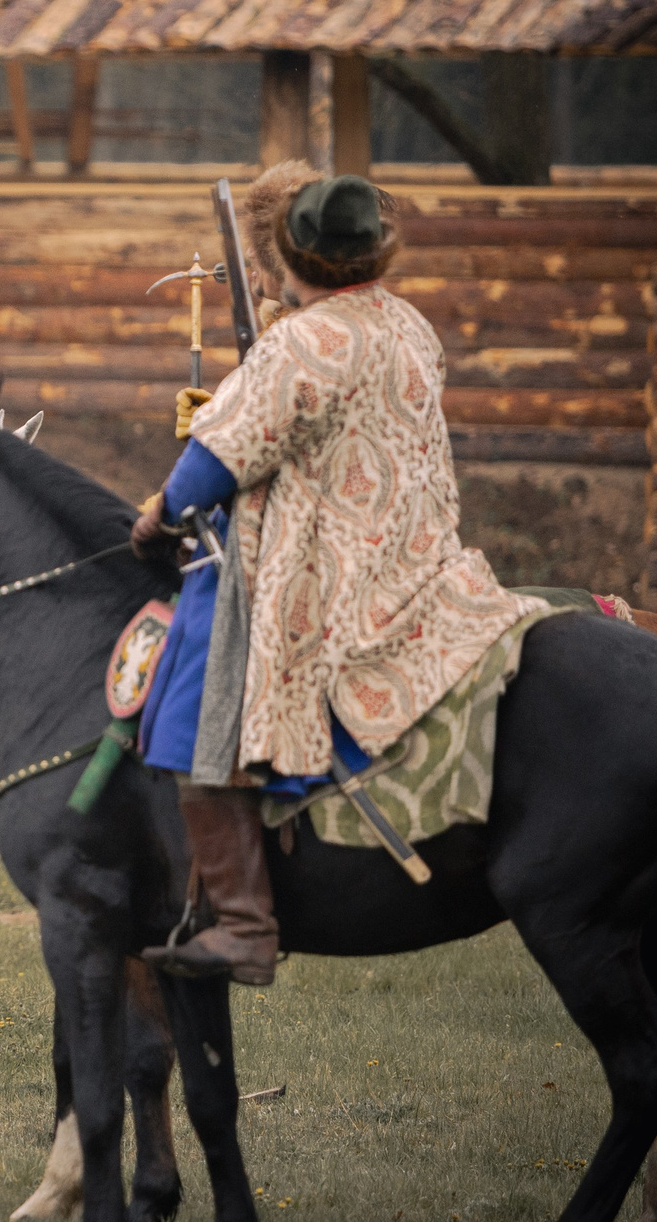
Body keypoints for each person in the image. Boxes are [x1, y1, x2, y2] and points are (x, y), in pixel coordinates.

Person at [130, 165, 541, 984]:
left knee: (191, 701)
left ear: (290, 253)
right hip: (421, 558)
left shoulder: (301, 341)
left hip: (327, 570)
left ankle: (245, 923)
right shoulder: (409, 323)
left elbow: (214, 464)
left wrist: (159, 514)